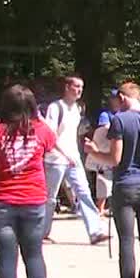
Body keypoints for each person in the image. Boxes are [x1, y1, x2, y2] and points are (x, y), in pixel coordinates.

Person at [84, 82, 140, 278]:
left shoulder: (119, 120)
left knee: (127, 241)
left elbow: (115, 158)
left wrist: (93, 152)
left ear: (122, 98)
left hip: (125, 184)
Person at [0, 84, 56, 278]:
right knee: (34, 256)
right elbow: (51, 146)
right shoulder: (41, 130)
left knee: (5, 257)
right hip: (34, 199)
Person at [43, 74, 108, 245]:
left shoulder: (77, 109)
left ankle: (95, 232)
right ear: (67, 87)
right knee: (50, 198)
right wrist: (64, 155)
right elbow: (50, 136)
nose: (79, 90)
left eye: (81, 87)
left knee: (84, 193)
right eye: (76, 86)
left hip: (74, 158)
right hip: (55, 159)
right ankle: (42, 232)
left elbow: (72, 134)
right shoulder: (55, 108)